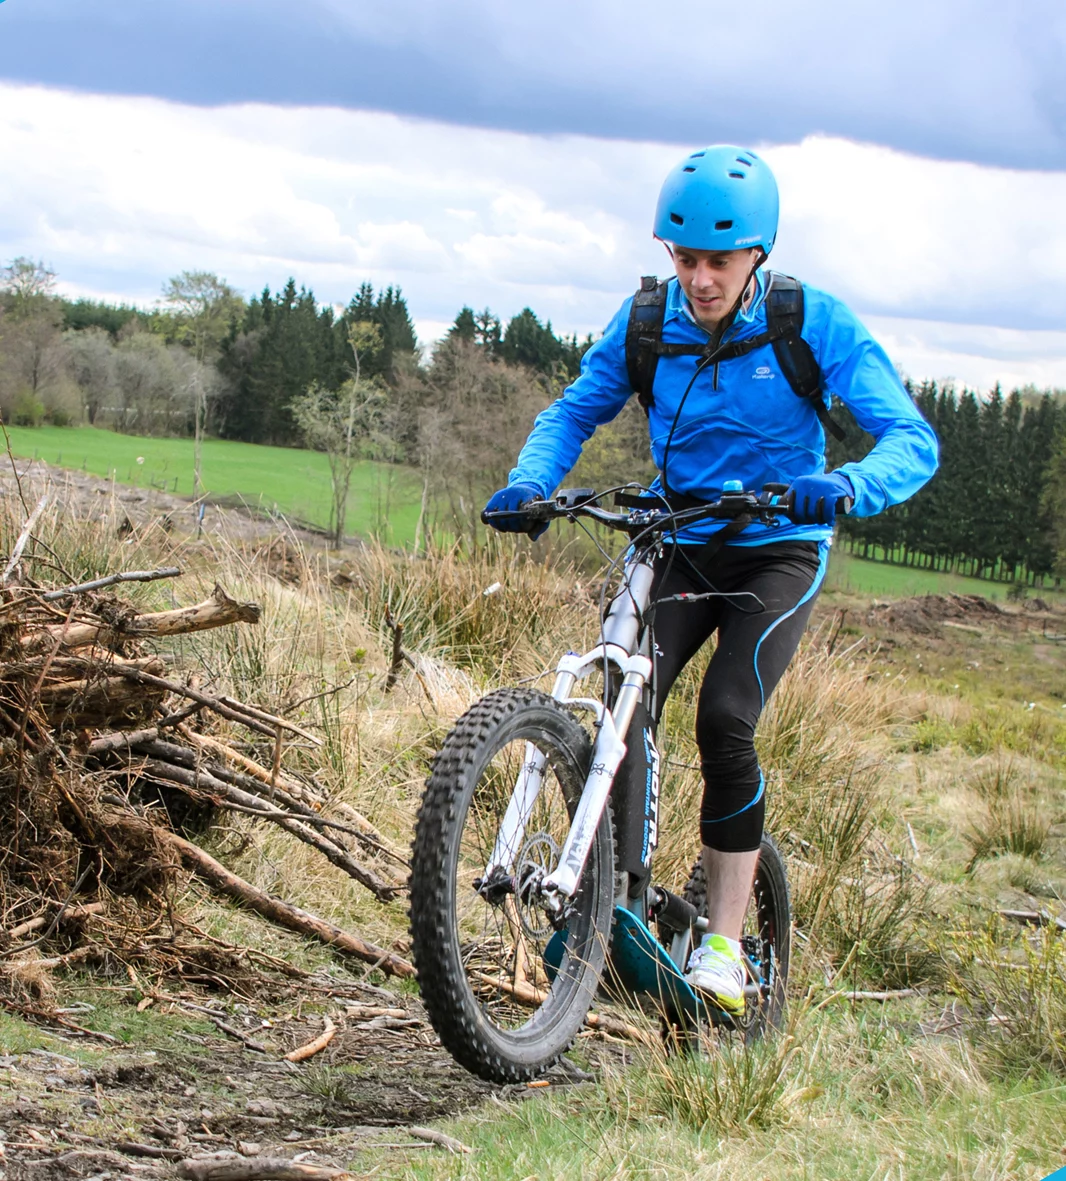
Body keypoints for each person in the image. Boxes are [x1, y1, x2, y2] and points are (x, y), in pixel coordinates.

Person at [482, 145, 939, 1014]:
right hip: (680, 537)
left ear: (757, 253)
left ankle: (725, 948)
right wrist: (532, 480)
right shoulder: (647, 323)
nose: (699, 279)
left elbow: (910, 440)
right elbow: (575, 408)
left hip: (777, 547)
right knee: (621, 698)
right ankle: (614, 897)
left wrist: (845, 484)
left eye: (718, 262)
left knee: (726, 718)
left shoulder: (810, 322)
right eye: (685, 258)